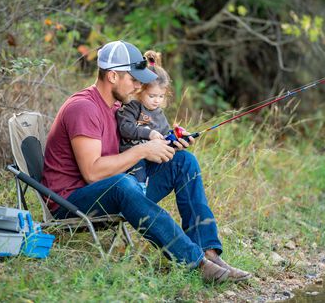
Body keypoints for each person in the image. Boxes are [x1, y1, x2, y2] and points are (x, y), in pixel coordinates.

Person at [41, 40, 251, 283]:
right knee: (123, 185)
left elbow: (134, 140)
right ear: (112, 76)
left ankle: (209, 253)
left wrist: (168, 143)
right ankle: (196, 263)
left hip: (113, 190)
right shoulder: (84, 108)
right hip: (70, 201)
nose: (139, 86)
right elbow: (93, 173)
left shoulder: (117, 107)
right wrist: (143, 151)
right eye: (134, 79)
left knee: (183, 161)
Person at [116, 50, 171, 194]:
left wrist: (177, 137)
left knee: (179, 160)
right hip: (131, 156)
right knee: (138, 169)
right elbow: (125, 128)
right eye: (152, 96)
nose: (157, 100)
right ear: (140, 91)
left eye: (161, 96)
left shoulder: (159, 113)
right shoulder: (133, 106)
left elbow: (165, 134)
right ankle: (137, 196)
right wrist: (149, 133)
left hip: (151, 156)